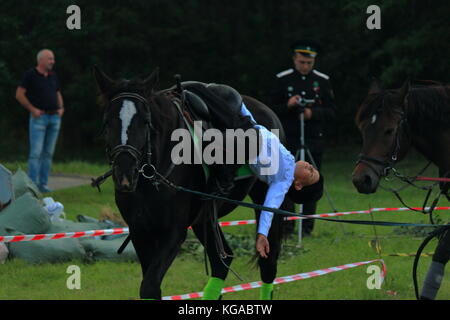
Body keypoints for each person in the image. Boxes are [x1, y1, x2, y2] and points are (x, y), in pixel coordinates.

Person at [270, 39, 336, 235]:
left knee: (311, 180)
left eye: (309, 62)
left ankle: (307, 227)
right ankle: (287, 225)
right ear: (294, 59)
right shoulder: (283, 79)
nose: (305, 66)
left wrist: (312, 113)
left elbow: (332, 112)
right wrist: (288, 105)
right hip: (288, 140)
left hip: (313, 139)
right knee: (288, 181)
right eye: (301, 62)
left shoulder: (323, 81)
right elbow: (270, 110)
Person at [15, 49, 65, 193]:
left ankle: (43, 184)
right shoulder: (30, 75)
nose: (52, 61)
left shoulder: (53, 76)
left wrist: (61, 108)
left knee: (48, 153)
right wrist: (32, 109)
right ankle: (32, 185)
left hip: (54, 117)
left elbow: (57, 92)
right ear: (41, 60)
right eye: (50, 59)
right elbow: (19, 94)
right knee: (36, 153)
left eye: (53, 59)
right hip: (39, 118)